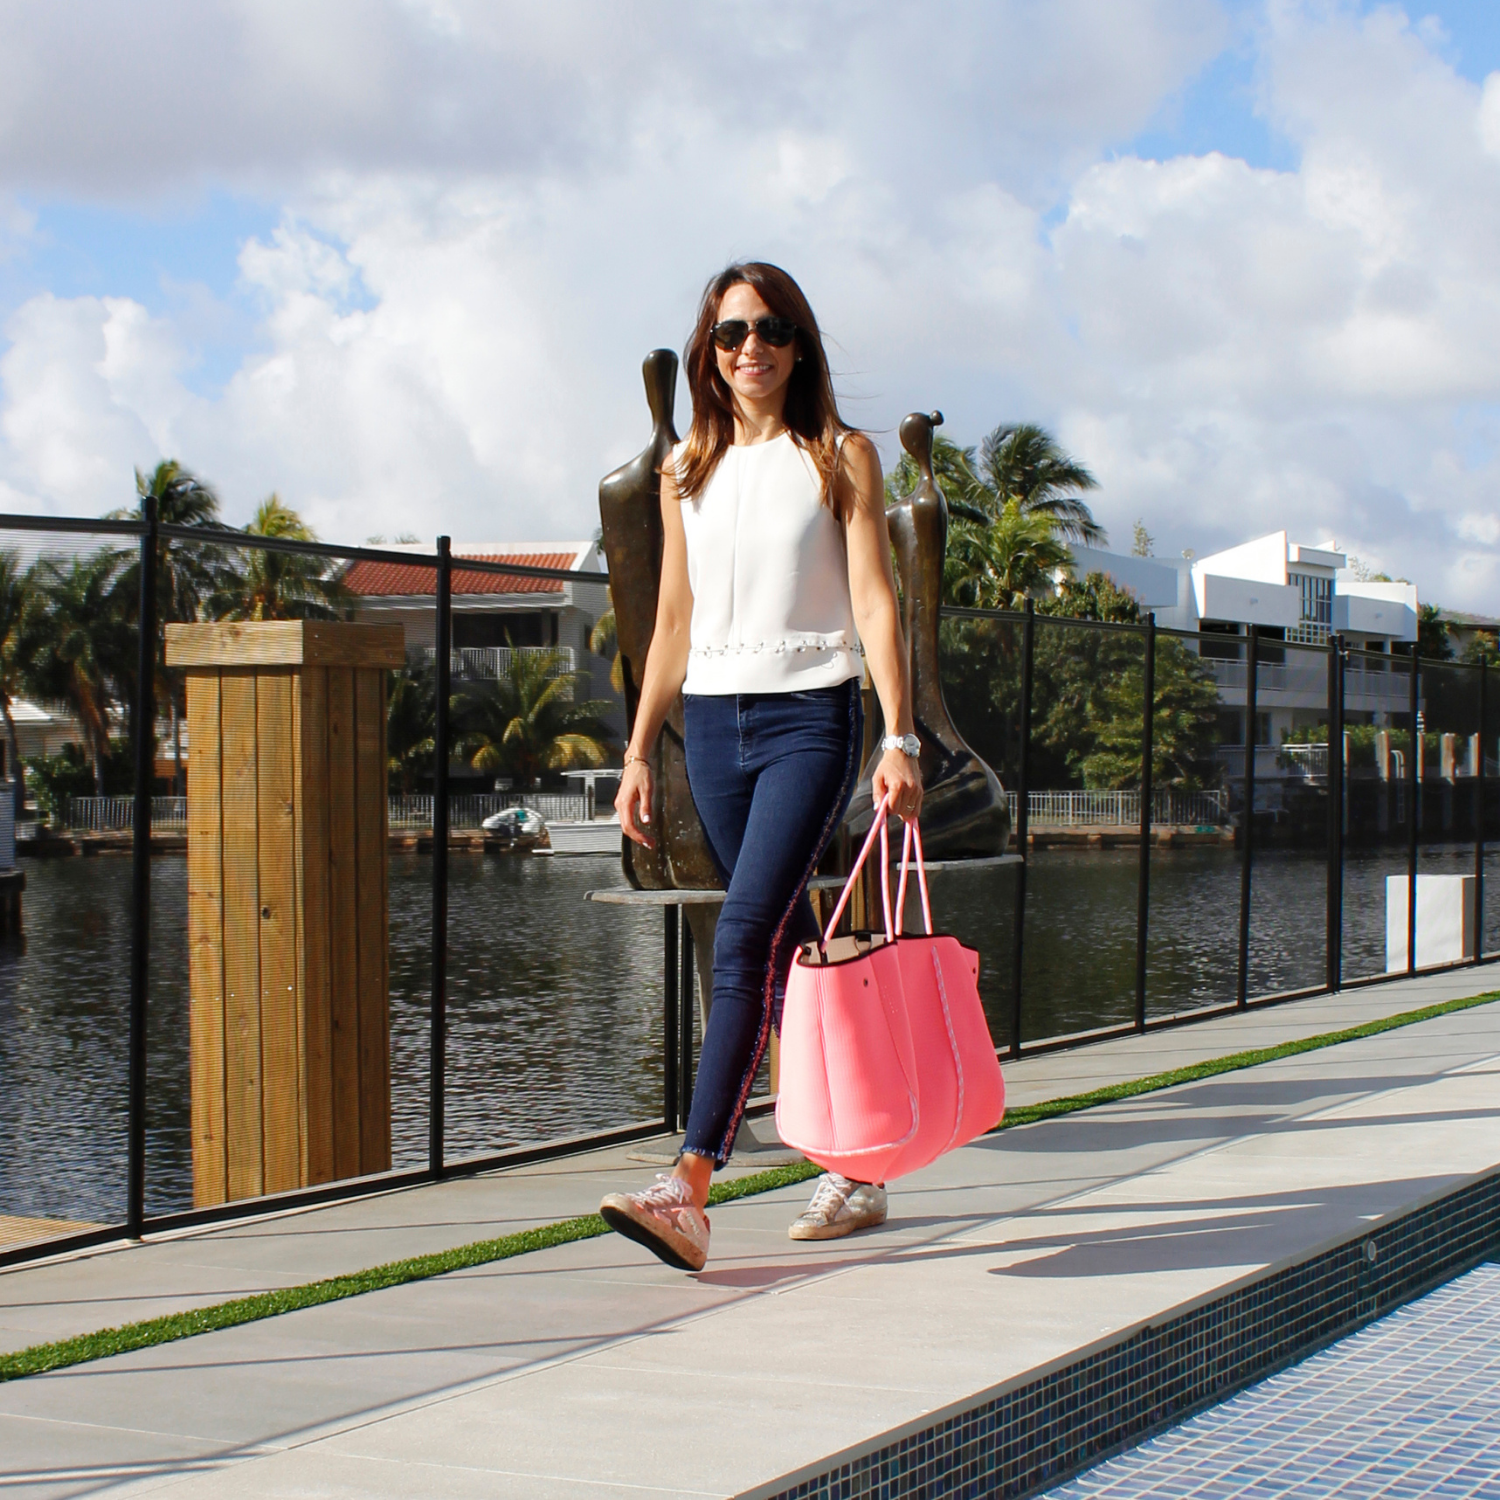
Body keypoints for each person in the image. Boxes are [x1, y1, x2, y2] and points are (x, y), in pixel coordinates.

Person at [598, 262, 922, 1272]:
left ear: (799, 345)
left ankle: (690, 1183)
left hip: (809, 724)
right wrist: (641, 748)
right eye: (734, 330)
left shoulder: (841, 455)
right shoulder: (687, 468)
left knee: (740, 936)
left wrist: (899, 735)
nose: (753, 346)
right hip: (712, 729)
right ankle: (854, 1167)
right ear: (709, 348)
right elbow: (672, 621)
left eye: (773, 329)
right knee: (776, 960)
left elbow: (874, 601)